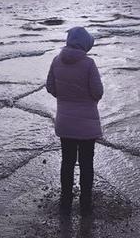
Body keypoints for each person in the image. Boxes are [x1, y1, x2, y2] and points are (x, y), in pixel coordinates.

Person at [46, 26, 104, 216]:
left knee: (67, 162)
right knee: (87, 163)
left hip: (65, 122)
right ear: (85, 44)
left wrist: (65, 98)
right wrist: (87, 100)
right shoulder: (89, 63)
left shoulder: (56, 61)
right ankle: (85, 202)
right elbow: (98, 92)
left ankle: (65, 200)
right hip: (87, 125)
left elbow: (50, 87)